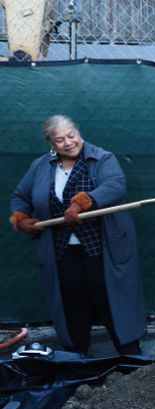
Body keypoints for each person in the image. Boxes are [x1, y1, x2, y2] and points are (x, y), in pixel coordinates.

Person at [10, 115, 145, 356]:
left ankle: (129, 352)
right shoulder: (40, 166)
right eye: (60, 140)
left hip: (103, 247)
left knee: (107, 297)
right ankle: (75, 354)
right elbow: (20, 195)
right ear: (51, 144)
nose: (68, 142)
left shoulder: (102, 158)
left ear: (78, 132)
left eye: (71, 135)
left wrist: (84, 202)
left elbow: (115, 185)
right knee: (72, 299)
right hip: (62, 249)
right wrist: (21, 218)